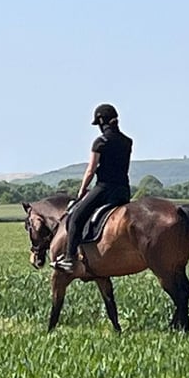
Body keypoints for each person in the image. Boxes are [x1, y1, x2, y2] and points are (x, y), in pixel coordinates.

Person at [53, 103, 133, 272]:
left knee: (75, 217)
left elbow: (90, 170)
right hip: (123, 191)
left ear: (101, 121)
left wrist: (82, 191)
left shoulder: (100, 142)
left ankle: (69, 258)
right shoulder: (127, 141)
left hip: (104, 189)